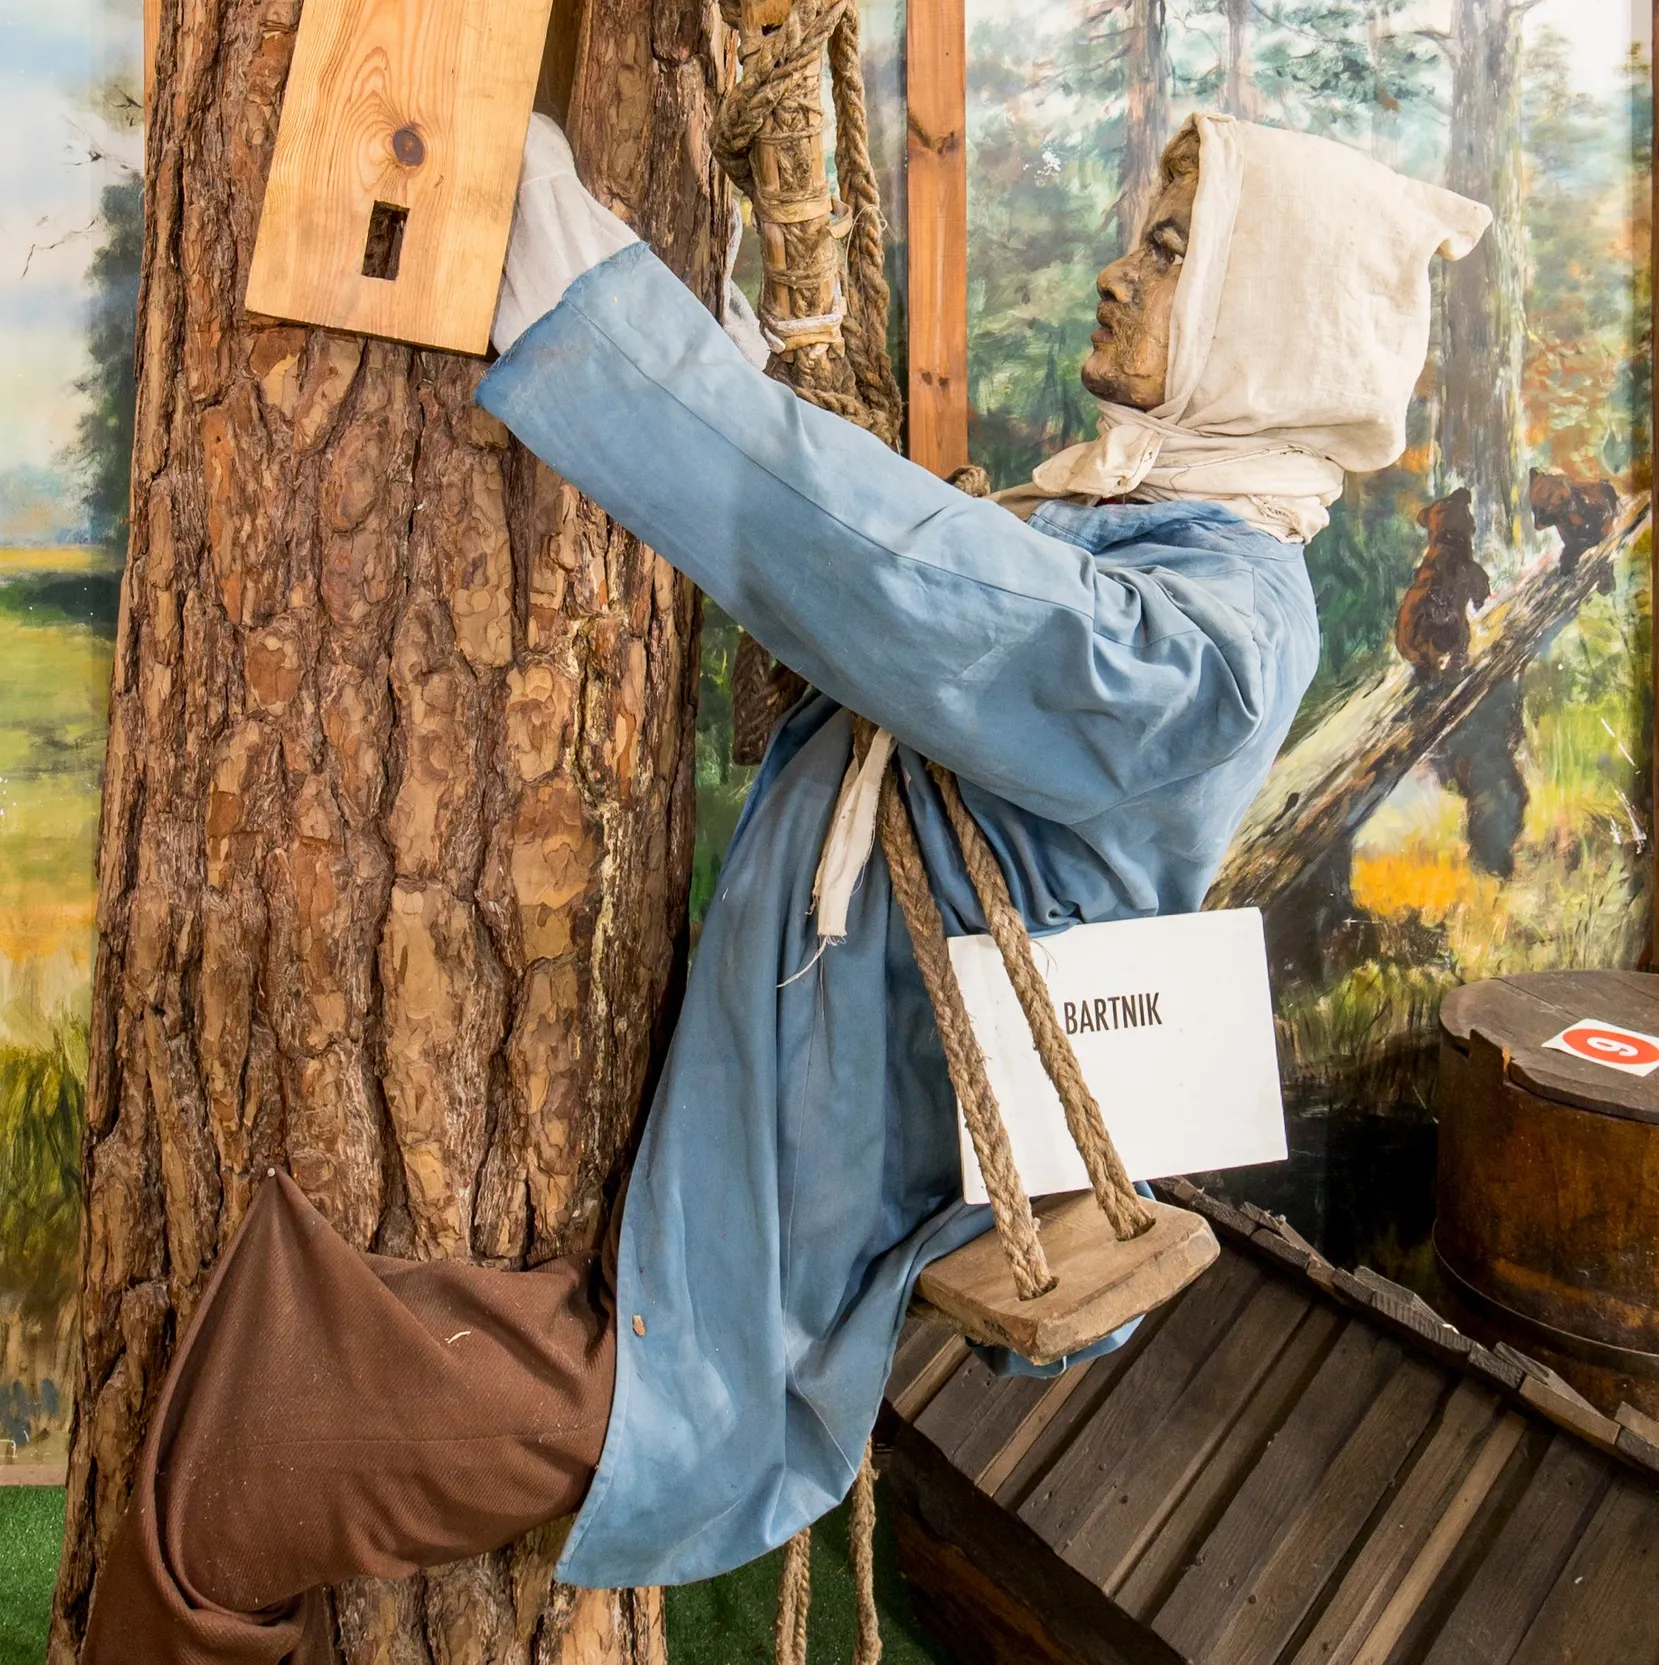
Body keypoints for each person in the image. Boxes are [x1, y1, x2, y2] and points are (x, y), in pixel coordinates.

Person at [83, 113, 1488, 1663]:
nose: (1111, 275)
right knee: (678, 1360)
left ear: (1263, 318)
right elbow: (911, 552)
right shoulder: (1124, 524)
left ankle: (216, 1521)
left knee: (698, 1391)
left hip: (878, 1095)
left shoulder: (1215, 635)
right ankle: (256, 1458)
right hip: (815, 1042)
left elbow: (911, 586)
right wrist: (713, 358)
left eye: (1168, 250)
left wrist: (591, 318)